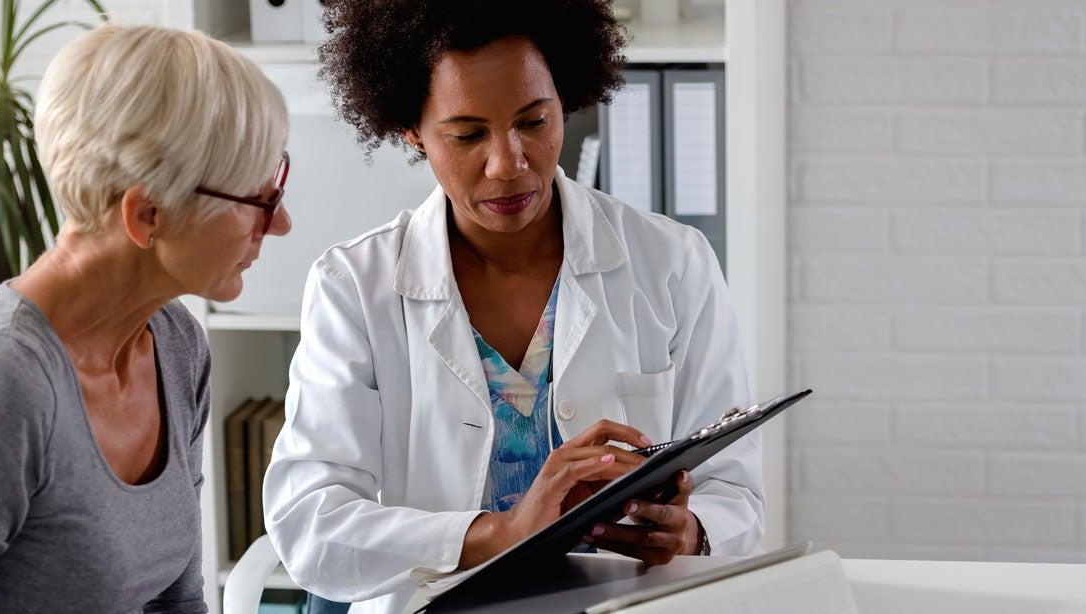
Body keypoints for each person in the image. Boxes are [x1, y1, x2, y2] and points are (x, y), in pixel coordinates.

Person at [263, 2, 762, 612]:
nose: (509, 164)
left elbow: (735, 491)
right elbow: (311, 524)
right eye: (468, 134)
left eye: (533, 121)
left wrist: (692, 531)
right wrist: (501, 533)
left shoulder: (673, 263)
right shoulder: (353, 288)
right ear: (413, 130)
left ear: (566, 100)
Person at [0, 24, 291, 612]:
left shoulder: (176, 346)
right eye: (259, 201)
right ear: (147, 215)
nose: (281, 223)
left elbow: (176, 600)